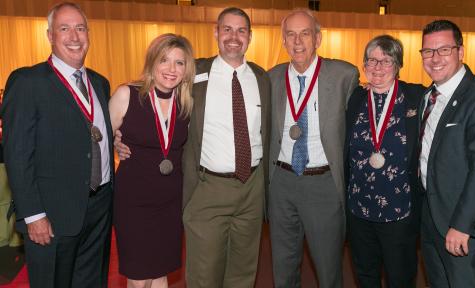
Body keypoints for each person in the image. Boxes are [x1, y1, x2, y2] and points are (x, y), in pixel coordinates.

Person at [115, 7, 271, 287]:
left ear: (250, 36)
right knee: (203, 273)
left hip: (253, 187)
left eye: (241, 30)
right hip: (207, 186)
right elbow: (151, 97)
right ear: (215, 33)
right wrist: (118, 135)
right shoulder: (193, 73)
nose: (233, 37)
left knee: (243, 270)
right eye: (227, 29)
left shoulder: (262, 78)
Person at [0, 2, 113, 287]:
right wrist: (33, 214)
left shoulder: (100, 83)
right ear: (50, 35)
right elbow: (17, 155)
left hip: (99, 208)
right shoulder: (27, 82)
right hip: (52, 214)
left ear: (88, 33)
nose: (74, 36)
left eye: (80, 28)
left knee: (91, 282)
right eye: (64, 28)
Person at [267, 9, 359, 287]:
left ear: (317, 38)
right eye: (290, 35)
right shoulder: (271, 78)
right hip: (281, 182)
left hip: (323, 184)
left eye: (304, 33)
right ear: (283, 40)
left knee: (328, 270)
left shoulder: (344, 75)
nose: (297, 41)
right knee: (283, 269)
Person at [419, 19, 475, 287]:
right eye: (428, 51)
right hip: (431, 218)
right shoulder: (428, 96)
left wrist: (461, 226)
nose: (435, 58)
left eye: (444, 50)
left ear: (461, 52)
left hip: (462, 226)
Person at [108, 33, 194, 288]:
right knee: (138, 275)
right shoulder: (127, 95)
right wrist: (115, 144)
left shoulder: (187, 103)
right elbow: (98, 140)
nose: (171, 69)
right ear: (152, 62)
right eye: (164, 60)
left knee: (160, 273)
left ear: (186, 69)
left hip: (170, 202)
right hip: (133, 203)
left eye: (179, 63)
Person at [345, 35, 424, 287]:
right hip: (359, 209)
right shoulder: (356, 98)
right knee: (365, 275)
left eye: (386, 60)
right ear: (364, 64)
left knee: (400, 278)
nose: (378, 67)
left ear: (398, 65)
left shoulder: (416, 97)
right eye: (372, 60)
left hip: (399, 211)